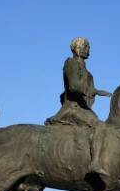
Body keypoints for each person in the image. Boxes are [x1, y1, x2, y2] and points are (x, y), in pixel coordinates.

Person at [46, 37, 114, 182]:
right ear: (77, 48)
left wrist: (96, 91)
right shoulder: (71, 63)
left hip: (82, 108)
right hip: (73, 108)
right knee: (99, 126)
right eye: (86, 47)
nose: (88, 50)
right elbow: (74, 86)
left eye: (88, 47)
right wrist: (92, 91)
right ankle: (95, 163)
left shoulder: (87, 71)